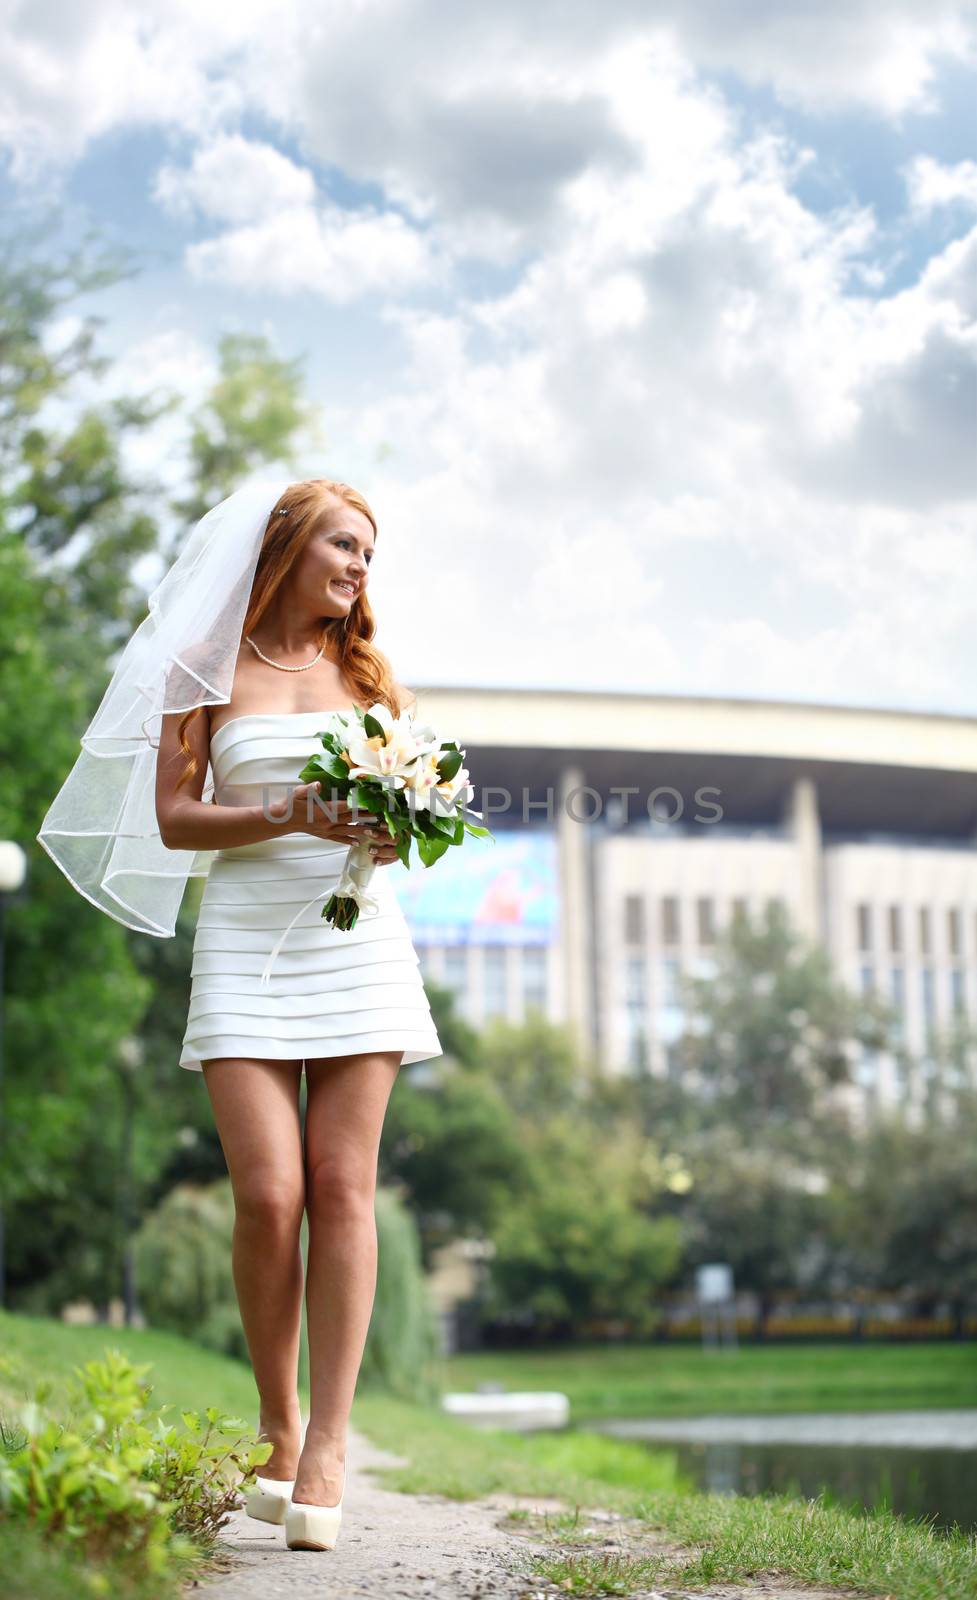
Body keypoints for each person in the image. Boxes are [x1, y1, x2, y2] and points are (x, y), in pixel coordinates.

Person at [38, 476, 443, 1553]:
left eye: (370, 553)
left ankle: (330, 1446)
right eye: (344, 545)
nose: (360, 568)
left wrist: (394, 826)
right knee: (268, 1195)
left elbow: (401, 814)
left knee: (342, 1184)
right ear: (288, 545)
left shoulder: (367, 675)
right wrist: (287, 811)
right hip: (244, 950)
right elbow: (175, 819)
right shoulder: (199, 669)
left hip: (356, 945)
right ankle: (279, 1419)